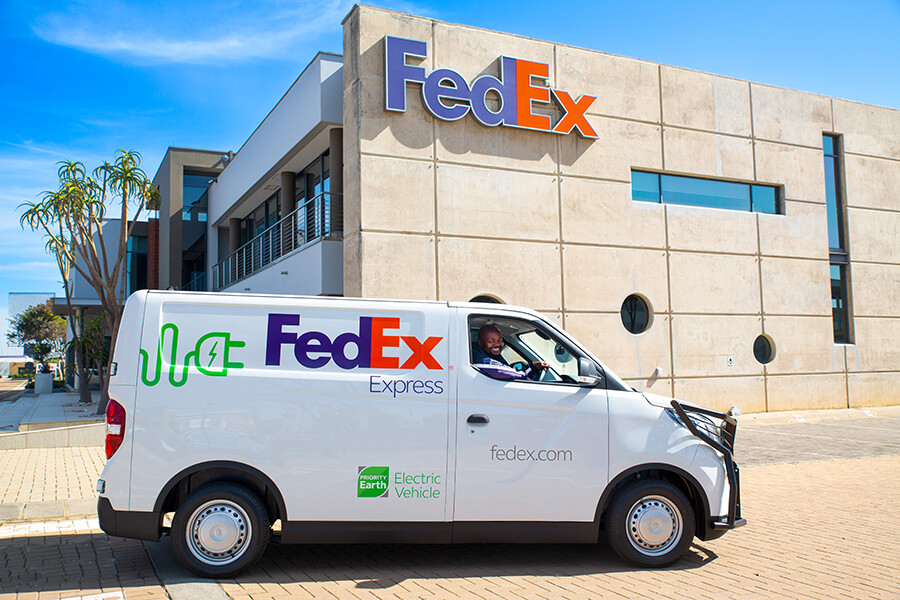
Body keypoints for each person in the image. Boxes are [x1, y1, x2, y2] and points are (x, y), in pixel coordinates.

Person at [472, 324, 550, 380]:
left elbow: (506, 368)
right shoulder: (475, 355)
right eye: (491, 341)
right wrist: (522, 375)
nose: (497, 344)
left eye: (500, 340)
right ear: (480, 343)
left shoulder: (492, 354)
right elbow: (497, 369)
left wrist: (533, 367)